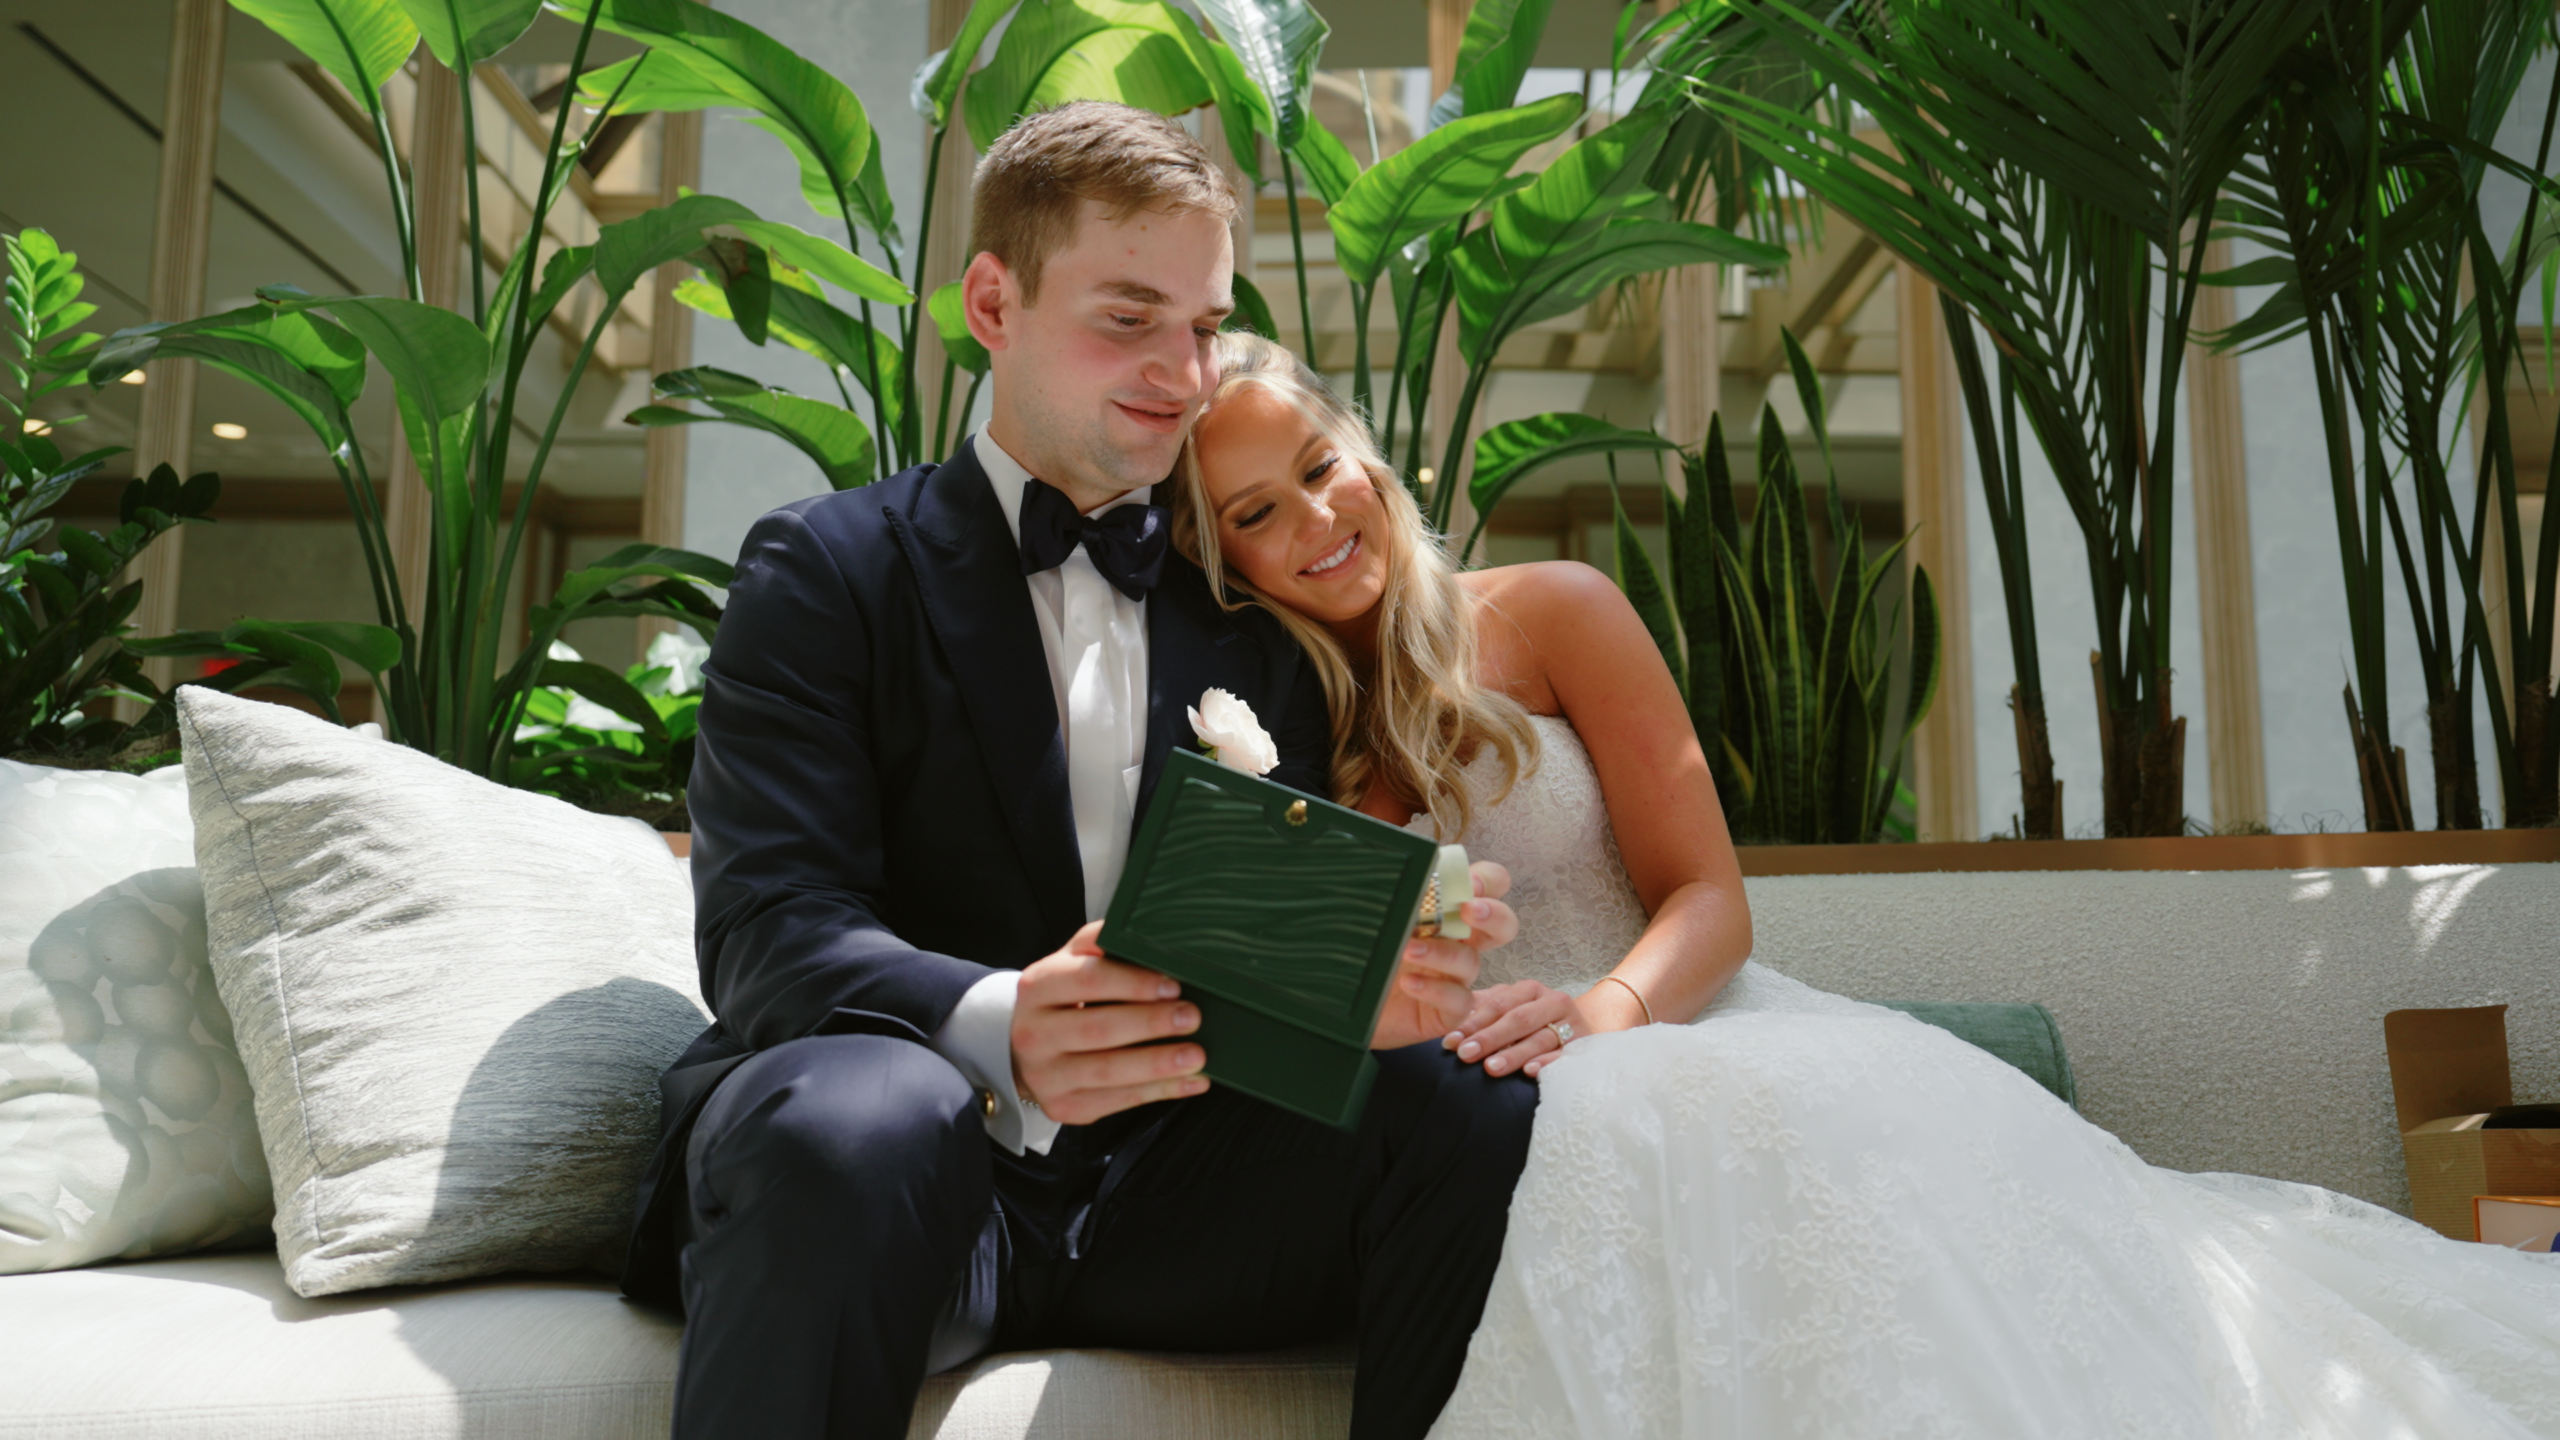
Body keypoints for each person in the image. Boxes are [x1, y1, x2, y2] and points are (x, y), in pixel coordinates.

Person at [1171, 330, 2560, 1438]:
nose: (1316, 515)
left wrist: (1606, 1020)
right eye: (1256, 510)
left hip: (1665, 1034)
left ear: (1362, 451)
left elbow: (1710, 895)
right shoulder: (1270, 736)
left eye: (1320, 463)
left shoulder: (1547, 611)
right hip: (1472, 1126)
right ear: (1219, 556)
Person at [621, 105, 1540, 1440]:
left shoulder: (1253, 616)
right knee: (866, 1113)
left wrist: (1352, 994)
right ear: (994, 300)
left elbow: (1228, 954)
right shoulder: (825, 572)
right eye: (1129, 318)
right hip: (900, 1190)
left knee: (1456, 1099)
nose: (1183, 370)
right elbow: (772, 936)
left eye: (1206, 323)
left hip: (1176, 1204)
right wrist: (1001, 1020)